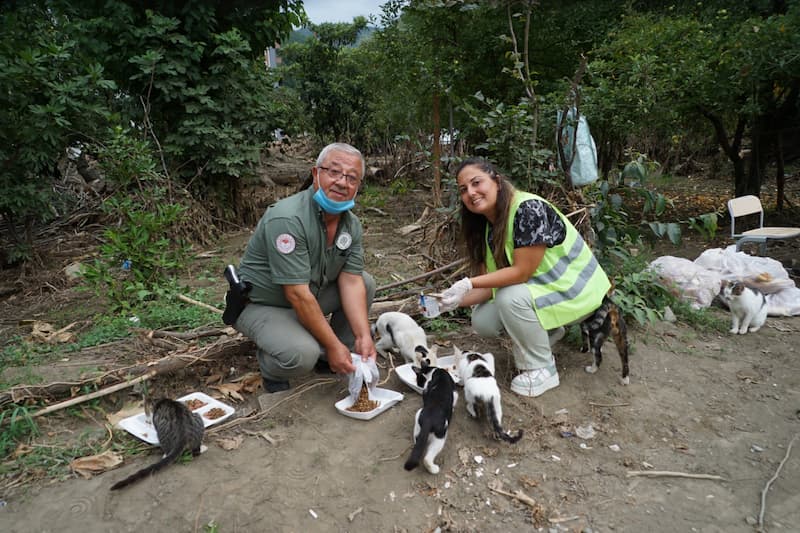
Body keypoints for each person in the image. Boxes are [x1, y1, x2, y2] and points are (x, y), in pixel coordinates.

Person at [438, 157, 611, 397]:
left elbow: (521, 273)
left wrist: (468, 282)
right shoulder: (487, 225)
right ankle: (547, 334)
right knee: (483, 320)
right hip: (544, 291)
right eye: (463, 189)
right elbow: (490, 287)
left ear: (496, 181)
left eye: (477, 182)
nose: (471, 193)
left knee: (510, 297)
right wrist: (449, 302)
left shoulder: (527, 208)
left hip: (577, 291)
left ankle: (543, 368)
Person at [234, 143, 377, 393]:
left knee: (364, 281)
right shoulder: (288, 218)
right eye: (334, 172)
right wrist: (330, 344)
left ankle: (336, 357)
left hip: (307, 297)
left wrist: (363, 336)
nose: (342, 182)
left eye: (352, 178)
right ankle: (273, 364)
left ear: (358, 185)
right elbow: (297, 295)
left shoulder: (350, 225)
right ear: (315, 174)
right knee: (301, 355)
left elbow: (351, 282)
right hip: (263, 304)